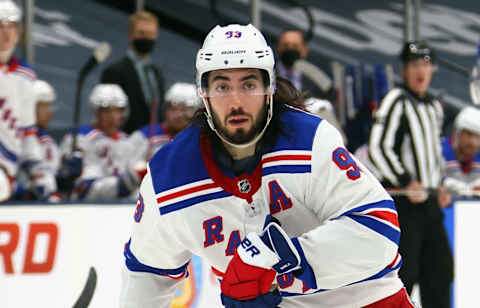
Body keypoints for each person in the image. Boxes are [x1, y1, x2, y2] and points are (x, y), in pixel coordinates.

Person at [120, 24, 415, 308]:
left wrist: (278, 258)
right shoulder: (169, 176)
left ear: (269, 88)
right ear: (204, 93)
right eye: (222, 86)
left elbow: (379, 232)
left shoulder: (309, 140)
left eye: (248, 84)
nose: (236, 101)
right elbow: (148, 271)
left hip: (368, 301)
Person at [368, 41, 453, 308]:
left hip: (428, 203)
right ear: (404, 70)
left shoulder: (434, 106)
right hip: (405, 203)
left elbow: (434, 151)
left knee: (440, 271)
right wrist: (406, 181)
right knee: (406, 274)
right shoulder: (397, 100)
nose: (421, 71)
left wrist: (439, 184)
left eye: (426, 65)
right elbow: (378, 147)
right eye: (415, 65)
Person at [60, 84, 145, 200]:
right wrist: (126, 183)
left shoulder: (127, 141)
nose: (114, 117)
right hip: (90, 208)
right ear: (96, 111)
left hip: (124, 207)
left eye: (118, 111)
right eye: (107, 111)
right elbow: (85, 188)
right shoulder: (80, 138)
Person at [0, 0, 41, 202]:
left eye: (12, 26)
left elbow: (28, 132)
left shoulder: (25, 75)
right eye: (1, 25)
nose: (7, 33)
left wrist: (39, 174)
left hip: (9, 174)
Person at [101, 10, 165, 134]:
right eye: (141, 33)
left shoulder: (157, 73)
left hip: (154, 140)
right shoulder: (114, 72)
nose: (146, 38)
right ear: (131, 35)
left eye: (150, 34)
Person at [128, 82, 201, 162]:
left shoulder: (201, 138)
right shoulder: (143, 136)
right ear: (165, 109)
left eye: (185, 110)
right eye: (174, 108)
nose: (179, 115)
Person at [15, 80, 61, 201]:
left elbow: (51, 179)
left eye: (50, 106)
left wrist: (66, 177)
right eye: (44, 106)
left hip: (47, 204)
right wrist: (22, 192)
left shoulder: (49, 142)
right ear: (30, 106)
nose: (50, 112)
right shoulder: (15, 137)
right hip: (18, 205)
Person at [275, 29, 334, 101]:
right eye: (285, 45)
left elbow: (330, 95)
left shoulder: (315, 75)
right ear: (278, 48)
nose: (290, 49)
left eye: (295, 46)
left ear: (305, 50)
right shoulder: (270, 73)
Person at [442, 106, 480, 197]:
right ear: (456, 133)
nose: (473, 142)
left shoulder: (477, 157)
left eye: (478, 137)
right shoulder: (438, 152)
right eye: (469, 134)